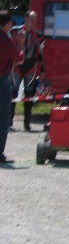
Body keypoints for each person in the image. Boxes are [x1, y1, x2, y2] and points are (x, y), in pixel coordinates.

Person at [10, 11, 44, 131]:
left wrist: (42, 69)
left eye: (34, 20)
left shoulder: (38, 35)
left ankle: (27, 123)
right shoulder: (14, 30)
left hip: (30, 67)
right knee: (13, 93)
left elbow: (40, 54)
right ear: (25, 18)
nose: (32, 22)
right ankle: (9, 122)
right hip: (17, 66)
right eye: (30, 19)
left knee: (29, 95)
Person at [0, 11, 24, 163]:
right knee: (3, 117)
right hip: (2, 81)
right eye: (10, 23)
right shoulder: (5, 40)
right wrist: (20, 44)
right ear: (6, 24)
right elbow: (19, 58)